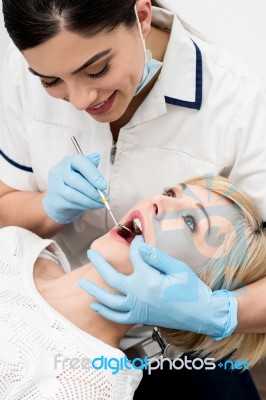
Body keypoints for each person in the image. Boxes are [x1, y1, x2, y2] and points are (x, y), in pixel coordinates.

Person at [1, 0, 266, 397]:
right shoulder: (13, 252)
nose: (78, 100)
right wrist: (45, 206)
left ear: (142, 17)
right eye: (50, 81)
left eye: (96, 69)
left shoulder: (241, 105)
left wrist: (218, 312)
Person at [0, 175, 265, 399]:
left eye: (189, 221)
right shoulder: (17, 242)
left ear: (197, 286)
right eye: (169, 193)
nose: (158, 202)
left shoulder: (85, 384)